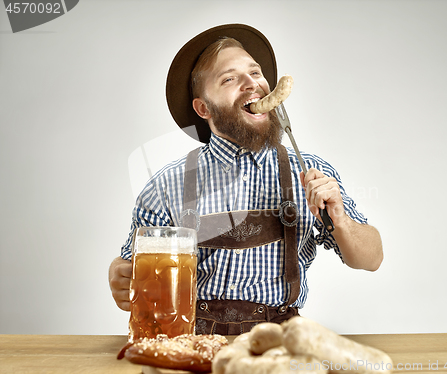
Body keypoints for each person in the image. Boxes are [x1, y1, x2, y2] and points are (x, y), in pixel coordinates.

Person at [109, 24, 383, 335]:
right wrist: (117, 276)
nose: (252, 83)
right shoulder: (165, 185)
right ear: (203, 108)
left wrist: (340, 218)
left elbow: (371, 259)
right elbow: (127, 268)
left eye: (255, 72)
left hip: (278, 345)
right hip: (189, 344)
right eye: (229, 79)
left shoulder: (310, 173)